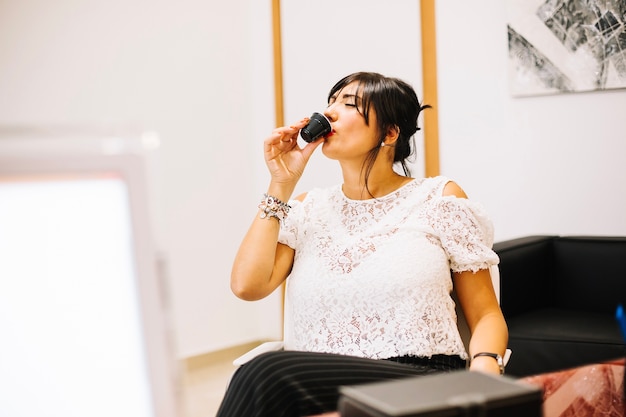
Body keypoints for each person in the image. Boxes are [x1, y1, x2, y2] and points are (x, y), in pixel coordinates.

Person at [217, 71, 508, 417]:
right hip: (322, 386)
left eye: (349, 103)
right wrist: (281, 184)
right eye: (331, 102)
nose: (330, 113)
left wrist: (485, 371)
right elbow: (247, 286)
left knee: (266, 371)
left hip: (420, 380)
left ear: (389, 133)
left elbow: (487, 313)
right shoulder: (308, 208)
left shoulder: (438, 199)